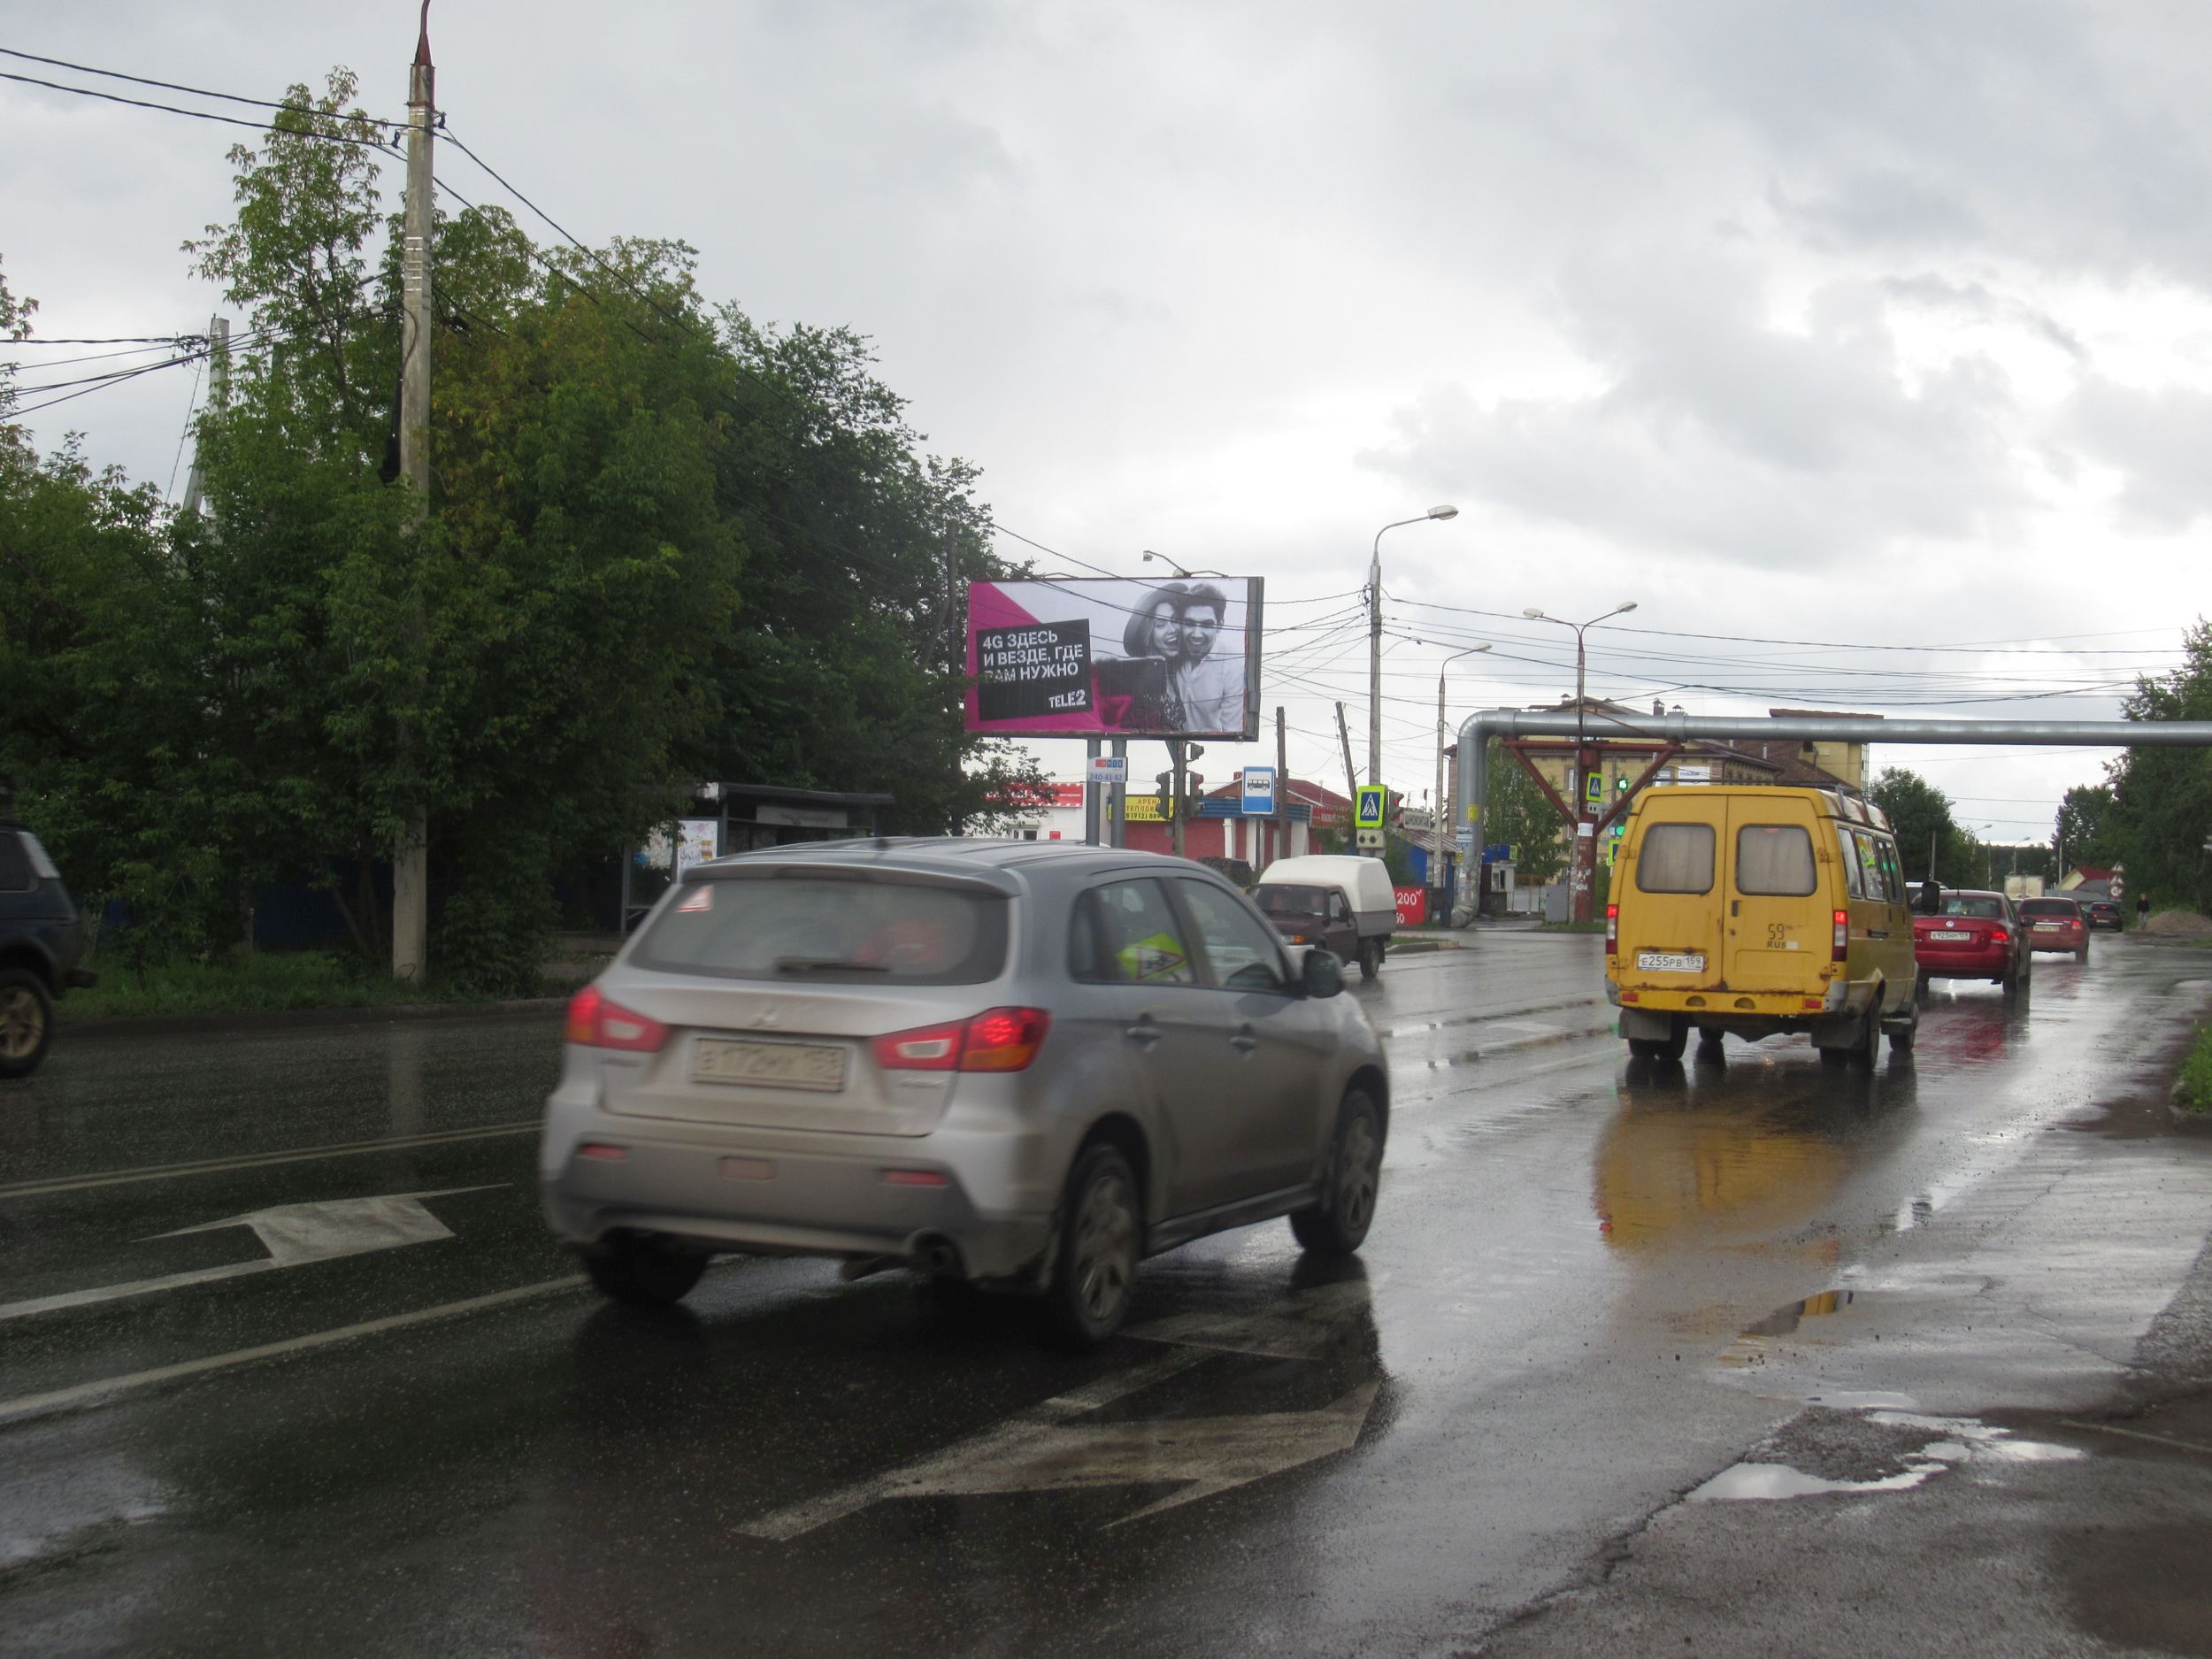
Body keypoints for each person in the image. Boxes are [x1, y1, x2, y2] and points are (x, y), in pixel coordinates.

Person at [1170, 583, 1244, 733]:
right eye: (1190, 624)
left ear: (1220, 625)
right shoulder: (1172, 653)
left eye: (1206, 625)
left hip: (1214, 751)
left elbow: (1232, 731)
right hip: (1171, 748)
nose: (1197, 634)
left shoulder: (1233, 667)